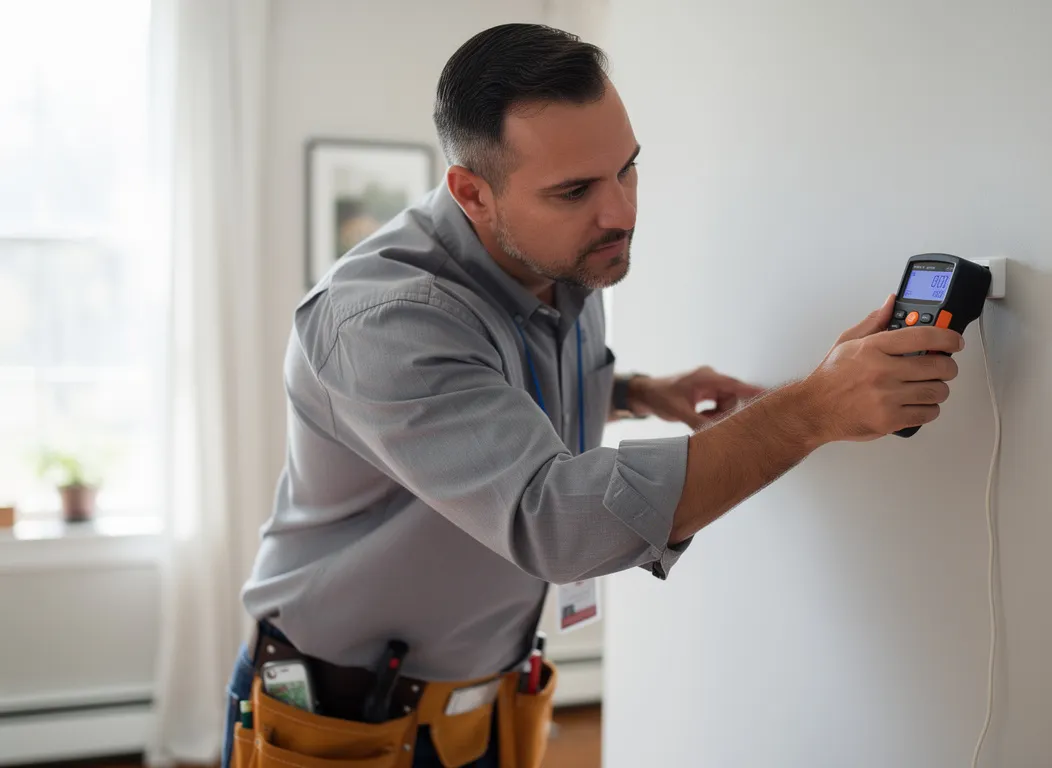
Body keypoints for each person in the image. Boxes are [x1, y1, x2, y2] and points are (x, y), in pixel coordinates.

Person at [222, 22, 963, 768]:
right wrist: (812, 410)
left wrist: (637, 391)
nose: (622, 213)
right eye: (575, 190)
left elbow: (496, 397)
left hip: (493, 706)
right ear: (472, 193)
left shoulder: (564, 252)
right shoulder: (385, 322)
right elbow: (556, 524)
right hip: (343, 725)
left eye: (627, 170)